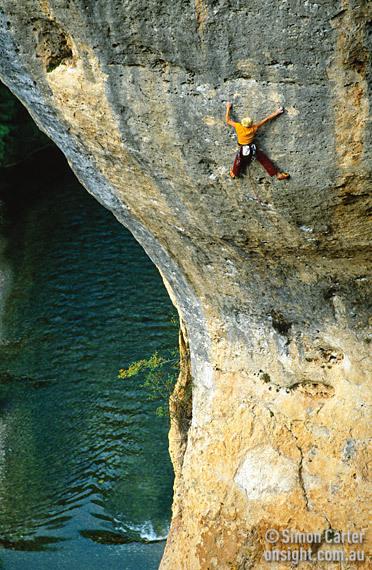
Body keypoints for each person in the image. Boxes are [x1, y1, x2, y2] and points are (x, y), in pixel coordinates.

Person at [226, 102, 289, 180]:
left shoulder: (238, 126)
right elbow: (266, 119)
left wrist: (228, 108)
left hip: (243, 148)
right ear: (251, 124)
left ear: (242, 124)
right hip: (252, 148)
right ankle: (278, 174)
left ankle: (234, 173)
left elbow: (228, 120)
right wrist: (276, 112)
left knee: (239, 159)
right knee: (264, 159)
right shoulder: (254, 128)